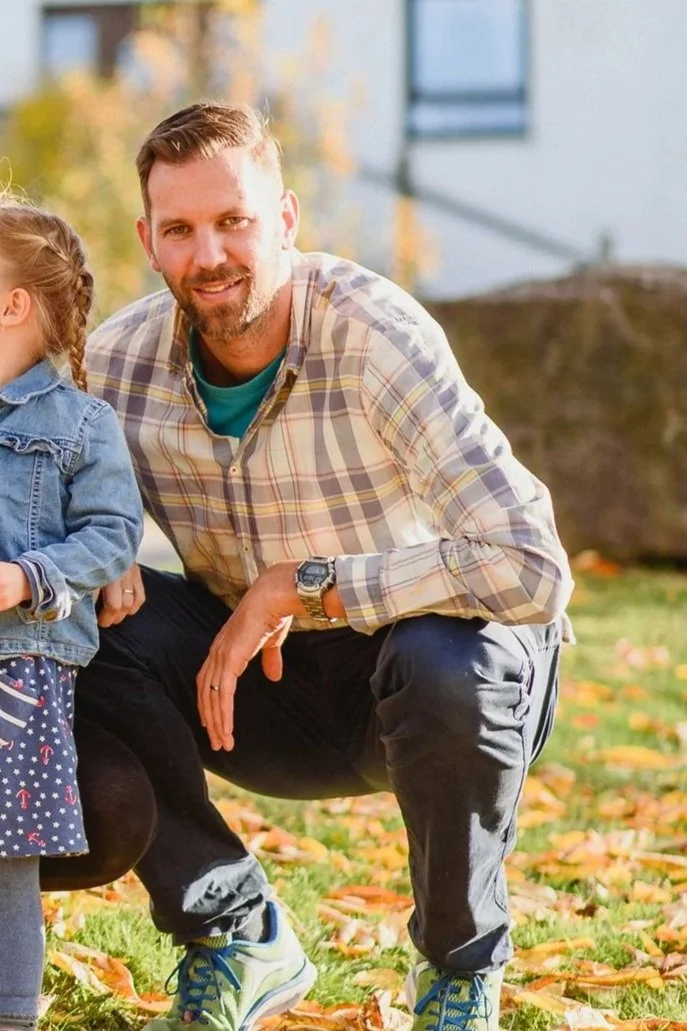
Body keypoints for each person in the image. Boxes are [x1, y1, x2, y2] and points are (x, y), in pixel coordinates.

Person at [68, 102, 573, 1031]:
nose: (209, 254)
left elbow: (533, 567)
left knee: (439, 659)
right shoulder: (119, 364)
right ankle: (235, 930)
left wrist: (304, 583)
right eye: (180, 230)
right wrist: (87, 550)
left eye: (234, 221)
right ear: (148, 240)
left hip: (445, 677)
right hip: (262, 689)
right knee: (82, 631)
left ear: (288, 220)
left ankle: (460, 967)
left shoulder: (376, 334)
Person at [0, 199, 143, 1031]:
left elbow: (113, 534)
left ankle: (13, 1010)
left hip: (21, 664)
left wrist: (27, 578)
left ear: (13, 303)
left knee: (7, 848)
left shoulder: (79, 424)